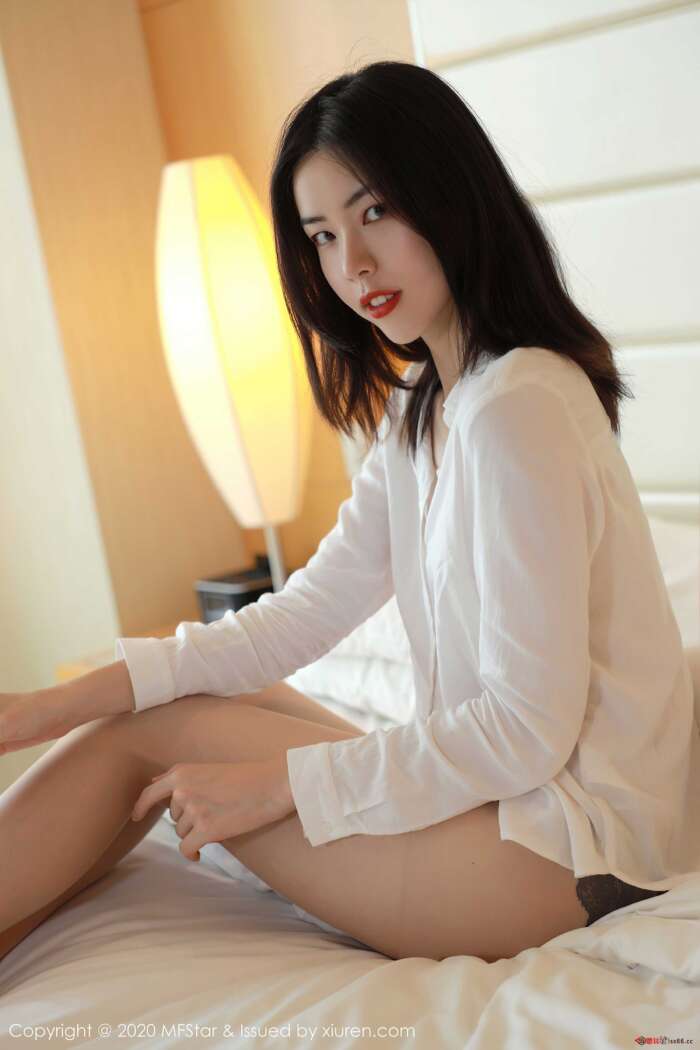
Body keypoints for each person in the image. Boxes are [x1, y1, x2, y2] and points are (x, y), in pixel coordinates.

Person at [1, 60, 697, 966]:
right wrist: (46, 709)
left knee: (160, 730)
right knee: (186, 694)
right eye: (323, 236)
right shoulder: (426, 409)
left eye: (376, 213)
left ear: (452, 197)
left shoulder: (519, 406)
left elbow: (526, 730)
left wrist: (282, 783)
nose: (352, 265)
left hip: (567, 856)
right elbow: (300, 617)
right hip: (503, 814)